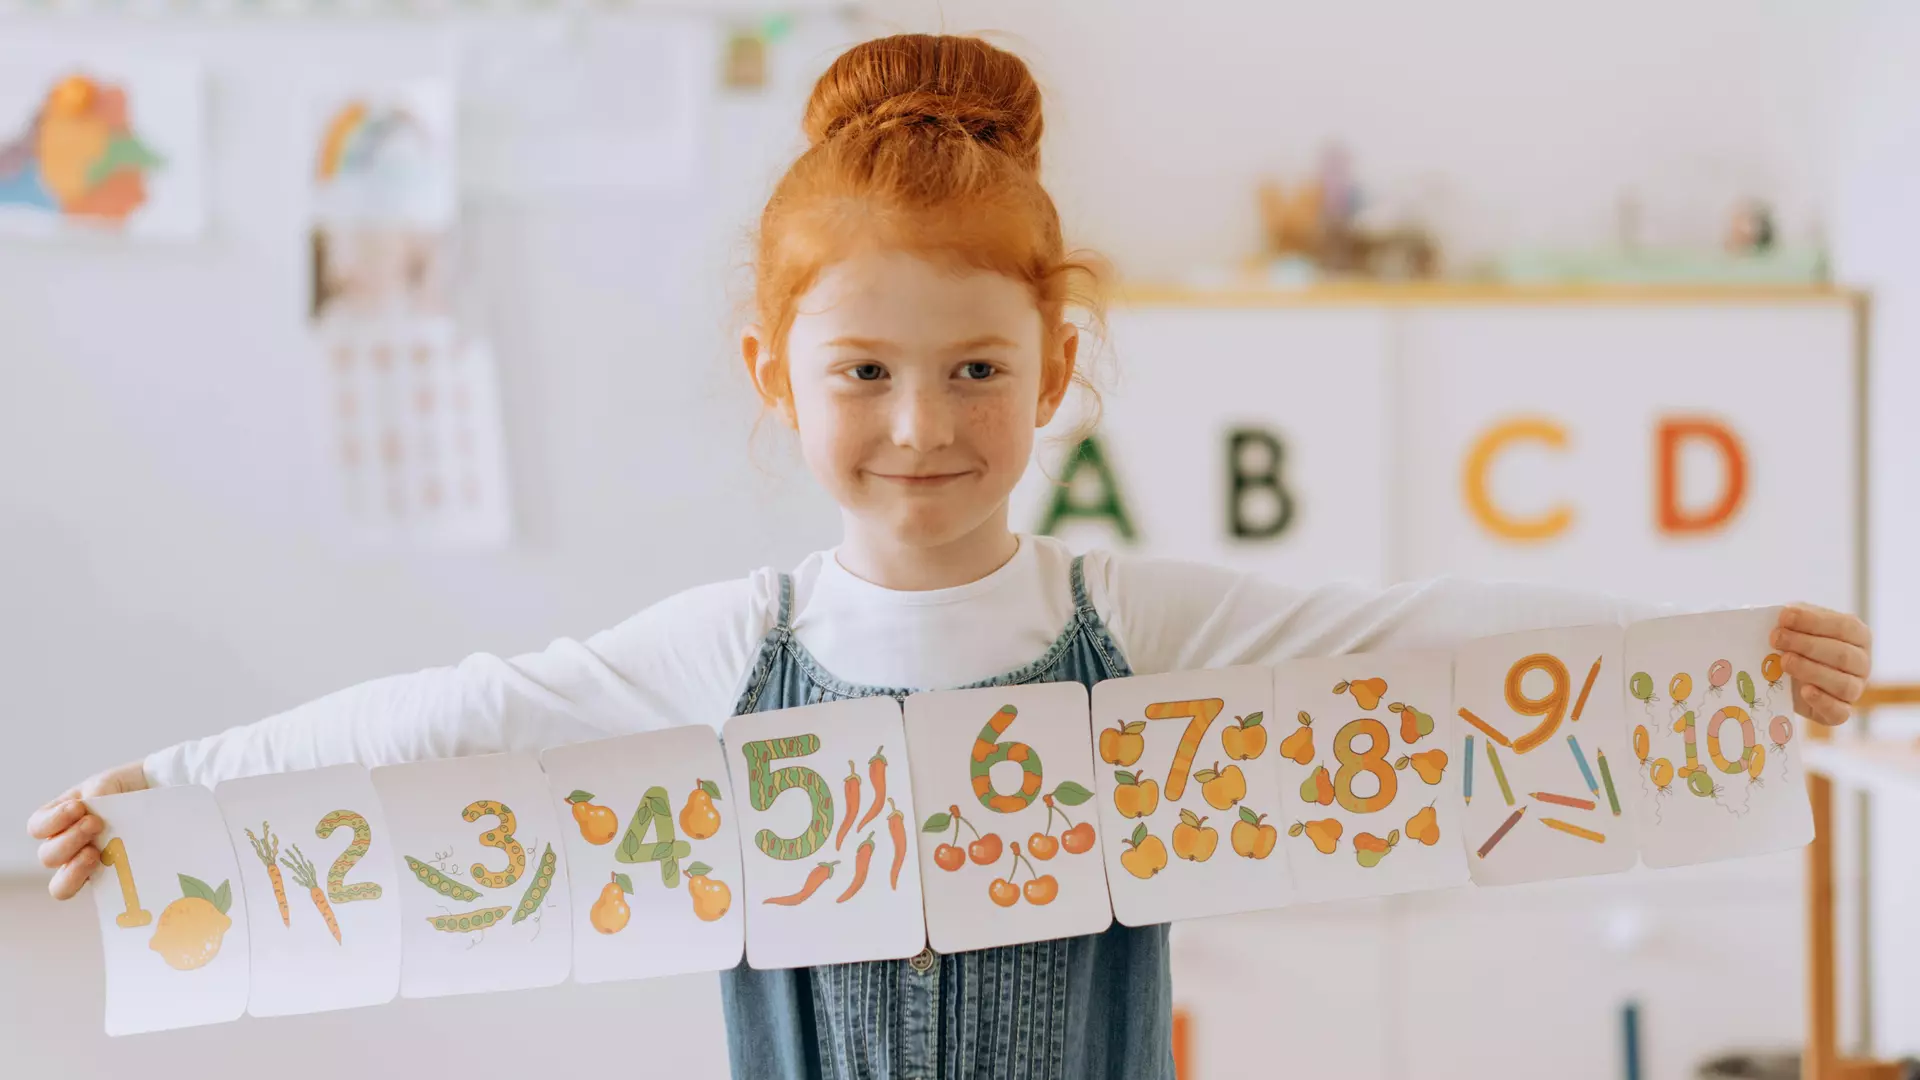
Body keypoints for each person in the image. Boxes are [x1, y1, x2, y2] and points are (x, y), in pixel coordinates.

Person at [26, 33, 1874, 1080]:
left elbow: (1405, 638)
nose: (925, 423)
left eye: (978, 367)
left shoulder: (1124, 620)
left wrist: (1716, 660)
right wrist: (172, 796)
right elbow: (461, 720)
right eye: (868, 374)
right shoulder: (730, 648)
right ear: (779, 378)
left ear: (1056, 368)